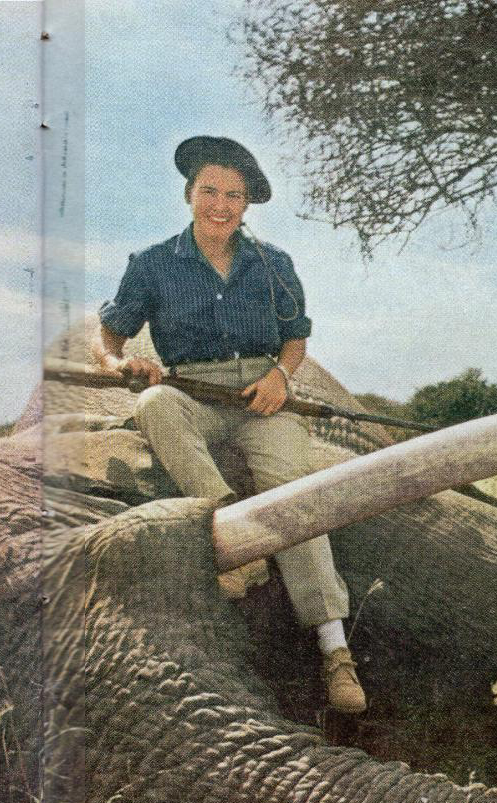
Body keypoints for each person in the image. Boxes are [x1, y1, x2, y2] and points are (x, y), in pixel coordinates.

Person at [94, 136, 367, 713]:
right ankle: (233, 531)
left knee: (299, 499)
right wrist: (123, 363)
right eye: (210, 191)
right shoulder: (151, 264)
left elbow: (296, 334)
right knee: (153, 407)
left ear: (247, 205)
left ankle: (335, 650)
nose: (221, 204)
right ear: (189, 195)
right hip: (191, 389)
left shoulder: (274, 264)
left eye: (234, 195)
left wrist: (279, 379)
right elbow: (111, 332)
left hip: (260, 397)